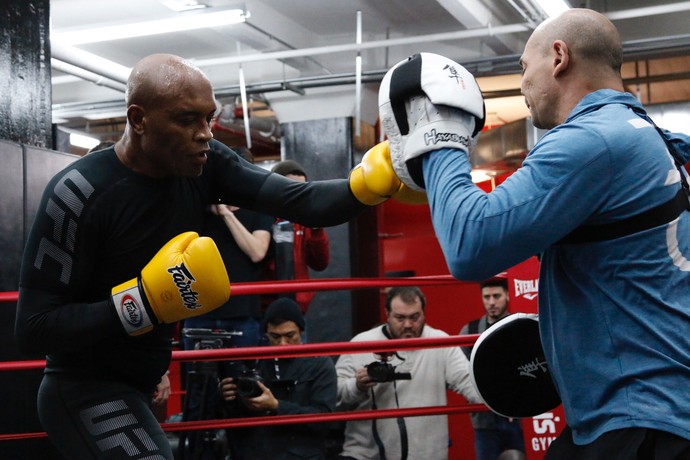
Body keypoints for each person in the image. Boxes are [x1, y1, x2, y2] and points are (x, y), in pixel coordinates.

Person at [14, 53, 404, 460]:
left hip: (142, 381)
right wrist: (143, 303)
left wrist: (375, 181)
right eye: (187, 120)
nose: (204, 133)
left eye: (209, 118)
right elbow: (34, 328)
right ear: (139, 119)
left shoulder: (205, 164)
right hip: (83, 388)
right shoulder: (77, 194)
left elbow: (299, 201)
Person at [375, 8, 690, 459]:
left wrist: (438, 134)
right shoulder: (647, 137)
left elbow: (470, 245)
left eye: (524, 67)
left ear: (559, 57)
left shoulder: (590, 141)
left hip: (640, 417)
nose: (522, 84)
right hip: (648, 408)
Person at [181, 147, 274, 459]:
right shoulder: (197, 208)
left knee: (244, 394)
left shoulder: (257, 208)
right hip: (201, 315)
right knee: (198, 399)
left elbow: (257, 252)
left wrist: (226, 214)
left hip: (241, 317)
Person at [335, 286, 479, 460]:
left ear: (424, 314)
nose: (408, 325)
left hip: (426, 454)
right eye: (400, 318)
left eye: (415, 317)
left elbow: (469, 382)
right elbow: (333, 396)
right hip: (365, 454)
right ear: (387, 313)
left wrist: (501, 398)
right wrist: (357, 386)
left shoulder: (441, 343)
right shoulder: (361, 344)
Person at [219, 297, 337, 460]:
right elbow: (237, 425)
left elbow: (324, 421)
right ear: (266, 334)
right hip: (259, 451)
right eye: (275, 337)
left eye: (290, 336)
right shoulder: (254, 363)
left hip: (303, 452)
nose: (282, 344)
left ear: (301, 332)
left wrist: (277, 406)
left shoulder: (319, 364)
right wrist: (230, 399)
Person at [459, 278, 525, 460]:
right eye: (486, 297)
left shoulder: (519, 326)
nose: (491, 302)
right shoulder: (469, 330)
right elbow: (459, 373)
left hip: (517, 415)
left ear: (508, 295)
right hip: (484, 416)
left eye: (496, 296)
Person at [266, 159, 330, 317]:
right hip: (265, 306)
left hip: (297, 309)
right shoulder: (262, 217)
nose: (297, 194)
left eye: (302, 189)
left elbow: (320, 263)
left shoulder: (305, 220)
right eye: (291, 187)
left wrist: (317, 229)